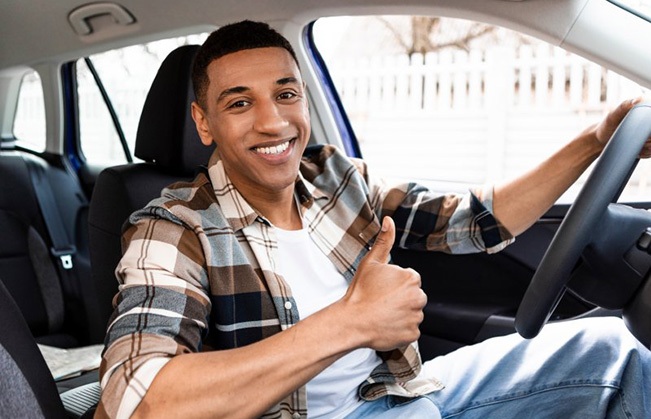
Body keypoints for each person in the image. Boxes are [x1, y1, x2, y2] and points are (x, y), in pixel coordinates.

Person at [97, 20, 651, 419]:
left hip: (399, 390)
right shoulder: (172, 228)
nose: (273, 122)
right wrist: (350, 322)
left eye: (285, 94)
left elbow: (474, 221)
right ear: (204, 123)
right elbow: (142, 400)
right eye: (240, 103)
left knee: (613, 351)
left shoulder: (335, 178)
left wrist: (595, 143)